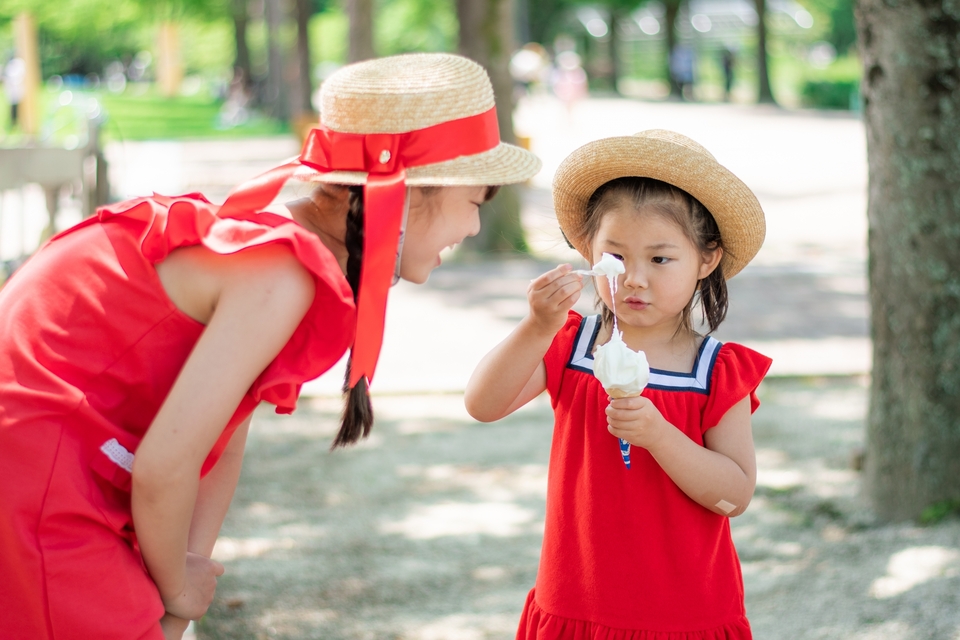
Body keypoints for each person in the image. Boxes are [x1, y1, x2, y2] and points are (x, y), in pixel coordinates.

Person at [0, 53, 540, 640]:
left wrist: (185, 589)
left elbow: (223, 440)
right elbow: (164, 466)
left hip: (55, 460)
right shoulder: (278, 276)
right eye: (475, 203)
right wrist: (176, 586)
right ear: (407, 194)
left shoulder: (268, 242)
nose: (475, 229)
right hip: (38, 475)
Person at [465, 130, 771, 638]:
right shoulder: (569, 345)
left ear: (707, 259)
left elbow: (733, 496)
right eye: (617, 256)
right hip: (576, 602)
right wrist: (537, 325)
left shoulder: (718, 371)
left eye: (660, 259)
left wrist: (660, 435)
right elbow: (483, 404)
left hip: (684, 611)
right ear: (589, 252)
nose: (633, 278)